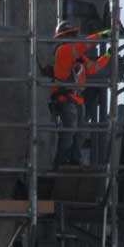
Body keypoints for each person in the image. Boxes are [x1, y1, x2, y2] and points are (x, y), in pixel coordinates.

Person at [45, 21, 112, 167]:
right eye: (73, 35)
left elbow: (94, 68)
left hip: (77, 99)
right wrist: (102, 34)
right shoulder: (63, 50)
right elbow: (84, 44)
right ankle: (61, 163)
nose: (76, 38)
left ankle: (75, 161)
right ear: (65, 37)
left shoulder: (77, 57)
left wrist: (108, 54)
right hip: (65, 98)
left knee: (80, 132)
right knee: (69, 131)